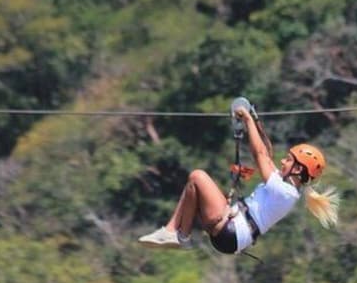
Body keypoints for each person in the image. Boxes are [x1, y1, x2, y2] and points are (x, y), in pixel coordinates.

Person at [138, 106, 339, 254]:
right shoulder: (286, 188)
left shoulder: (285, 193)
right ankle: (174, 232)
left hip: (231, 232)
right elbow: (267, 155)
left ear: (297, 169)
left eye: (288, 160)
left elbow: (260, 156)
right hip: (229, 236)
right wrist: (255, 122)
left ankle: (177, 234)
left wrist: (248, 121)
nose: (282, 161)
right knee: (194, 188)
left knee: (197, 176)